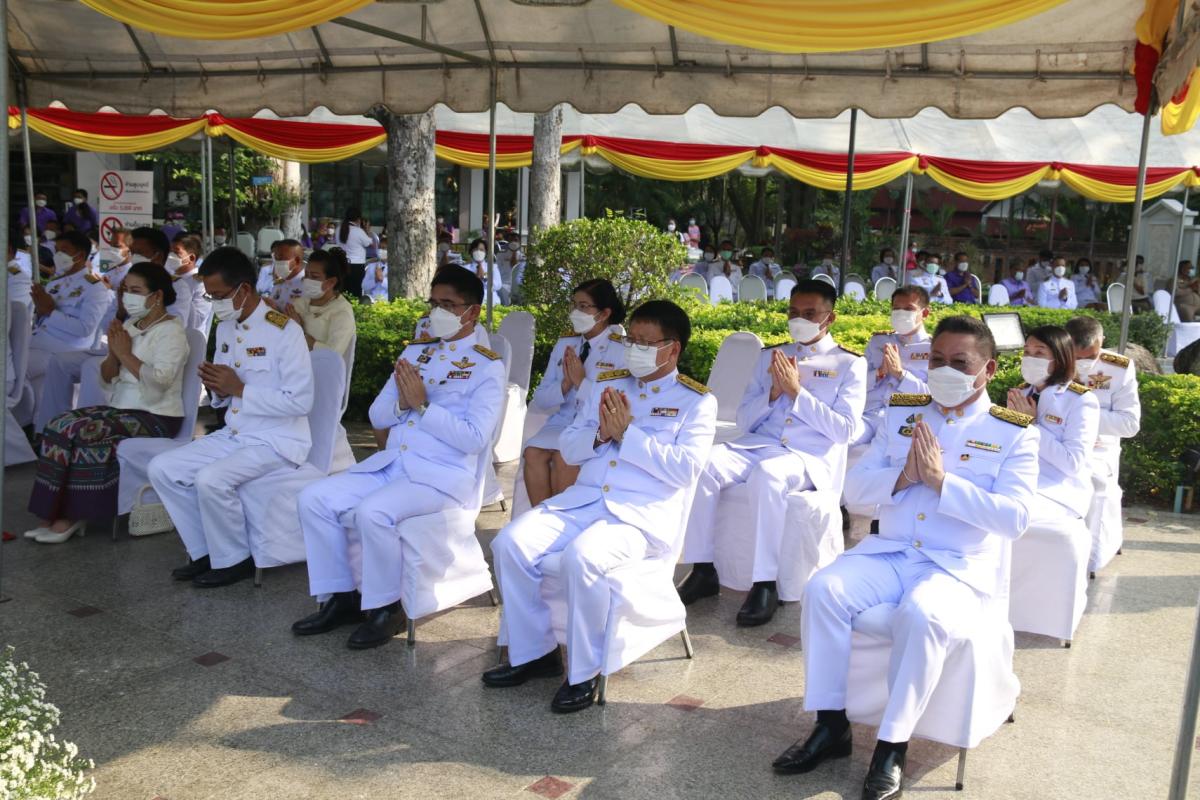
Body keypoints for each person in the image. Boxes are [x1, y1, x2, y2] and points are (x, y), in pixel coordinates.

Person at [776, 315, 1038, 800]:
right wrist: (903, 478)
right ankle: (831, 724)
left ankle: (891, 746)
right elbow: (854, 490)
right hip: (890, 552)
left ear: (990, 369)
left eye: (960, 362)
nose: (944, 370)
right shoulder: (902, 412)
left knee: (921, 615)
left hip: (955, 566)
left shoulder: (1015, 432)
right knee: (823, 590)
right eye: (937, 360)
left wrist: (942, 482)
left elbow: (1015, 518)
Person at [484, 300, 717, 712]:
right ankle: (535, 654)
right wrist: (599, 437)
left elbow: (685, 471)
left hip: (639, 517)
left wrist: (627, 435)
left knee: (581, 560)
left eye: (647, 343)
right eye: (633, 340)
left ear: (673, 349)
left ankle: (585, 671)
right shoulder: (607, 384)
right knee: (509, 543)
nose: (635, 349)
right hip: (584, 502)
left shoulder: (696, 401)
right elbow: (571, 448)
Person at [291, 268, 504, 648]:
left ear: (471, 313)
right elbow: (377, 415)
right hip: (392, 466)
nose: (436, 311)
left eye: (447, 305)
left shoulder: (486, 366)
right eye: (434, 302)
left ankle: (386, 609)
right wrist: (406, 404)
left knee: (373, 511)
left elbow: (474, 439)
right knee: (314, 498)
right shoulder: (415, 352)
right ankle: (340, 597)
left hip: (440, 478)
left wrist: (421, 407)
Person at [677, 280, 867, 626]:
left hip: (806, 456)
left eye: (809, 313)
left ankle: (764, 582)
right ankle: (703, 568)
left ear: (830, 317)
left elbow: (845, 431)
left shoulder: (849, 364)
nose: (799, 319)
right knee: (703, 464)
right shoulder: (769, 355)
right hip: (758, 445)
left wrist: (797, 394)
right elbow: (744, 419)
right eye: (793, 312)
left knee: (769, 476)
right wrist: (773, 395)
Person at [147, 247, 314, 588]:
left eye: (220, 295)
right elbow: (229, 392)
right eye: (210, 295)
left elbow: (300, 401)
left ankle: (234, 559)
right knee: (163, 468)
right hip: (237, 433)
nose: (214, 302)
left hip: (277, 440)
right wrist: (218, 388)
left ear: (245, 290)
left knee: (211, 478)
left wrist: (239, 389)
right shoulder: (226, 327)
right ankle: (205, 551)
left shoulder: (284, 331)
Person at [25, 262, 188, 544]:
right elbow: (108, 379)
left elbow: (160, 382)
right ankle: (51, 512)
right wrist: (113, 355)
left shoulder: (171, 332)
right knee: (60, 424)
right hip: (123, 408)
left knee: (89, 433)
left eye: (136, 290)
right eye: (126, 290)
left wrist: (124, 354)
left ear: (157, 295)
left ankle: (74, 515)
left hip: (157, 415)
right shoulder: (130, 325)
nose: (128, 296)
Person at [1005, 326, 1099, 637]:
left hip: (1058, 491)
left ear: (1058, 359)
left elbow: (1072, 463)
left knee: (1009, 516)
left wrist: (1032, 426)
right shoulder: (1021, 392)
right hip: (1020, 479)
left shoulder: (1080, 401)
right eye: (1027, 352)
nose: (1029, 359)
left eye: (1039, 353)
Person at [524, 280, 627, 507]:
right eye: (574, 305)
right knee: (532, 452)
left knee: (564, 457)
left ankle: (560, 523)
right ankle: (538, 522)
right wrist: (565, 385)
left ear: (604, 313)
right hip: (561, 421)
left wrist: (581, 382)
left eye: (583, 306)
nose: (575, 312)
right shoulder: (566, 344)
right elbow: (540, 398)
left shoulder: (621, 348)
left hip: (592, 424)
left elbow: (614, 402)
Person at [1066, 317, 1140, 569]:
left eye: (1091, 355)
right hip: (1057, 442)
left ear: (1101, 342)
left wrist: (1081, 414)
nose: (1084, 363)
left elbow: (1129, 424)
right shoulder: (1050, 359)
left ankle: (1089, 559)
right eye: (1078, 357)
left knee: (1093, 480)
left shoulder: (1118, 367)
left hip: (1099, 448)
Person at [26, 230, 111, 412]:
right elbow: (41, 321)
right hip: (36, 343)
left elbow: (84, 329)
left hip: (62, 352)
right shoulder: (54, 284)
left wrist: (49, 312)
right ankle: (30, 427)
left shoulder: (94, 289)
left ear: (79, 255)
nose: (58, 255)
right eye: (57, 250)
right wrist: (41, 312)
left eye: (64, 250)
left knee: (9, 373)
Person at [852, 286, 932, 449]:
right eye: (896, 309)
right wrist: (878, 373)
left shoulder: (934, 348)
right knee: (838, 441)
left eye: (909, 309)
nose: (901, 313)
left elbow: (934, 397)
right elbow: (855, 384)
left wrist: (901, 375)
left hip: (906, 419)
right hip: (869, 415)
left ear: (924, 313)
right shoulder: (878, 342)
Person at [282, 248, 355, 356]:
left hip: (321, 370)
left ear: (331, 282)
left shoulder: (342, 312)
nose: (307, 280)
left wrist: (300, 331)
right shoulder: (300, 303)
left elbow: (333, 355)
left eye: (314, 276)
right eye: (306, 275)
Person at [336, 208, 373, 300]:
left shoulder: (338, 229)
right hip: (356, 266)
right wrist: (367, 230)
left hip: (341, 264)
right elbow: (370, 243)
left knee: (343, 291)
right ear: (358, 219)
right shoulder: (358, 231)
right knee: (355, 291)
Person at [265, 238, 306, 307]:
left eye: (281, 259)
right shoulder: (280, 280)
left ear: (297, 261)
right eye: (276, 258)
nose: (276, 262)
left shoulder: (308, 285)